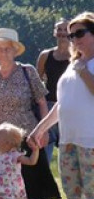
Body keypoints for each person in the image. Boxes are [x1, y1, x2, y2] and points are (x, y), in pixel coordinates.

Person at [0, 28, 60, 199]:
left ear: (15, 51)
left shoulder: (27, 71)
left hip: (24, 135)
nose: (3, 52)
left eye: (7, 48)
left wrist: (43, 131)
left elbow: (41, 102)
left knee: (33, 177)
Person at [29, 12, 94, 199]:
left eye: (79, 33)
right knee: (73, 194)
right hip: (68, 141)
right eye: (71, 35)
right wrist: (40, 128)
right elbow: (61, 104)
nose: (73, 39)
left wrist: (83, 71)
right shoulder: (72, 65)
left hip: (91, 141)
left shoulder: (82, 66)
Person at [35, 19, 70, 161]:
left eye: (65, 29)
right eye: (59, 29)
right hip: (48, 106)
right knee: (44, 148)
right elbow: (37, 82)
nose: (62, 33)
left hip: (68, 106)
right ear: (55, 33)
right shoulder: (45, 55)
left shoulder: (77, 56)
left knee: (67, 150)